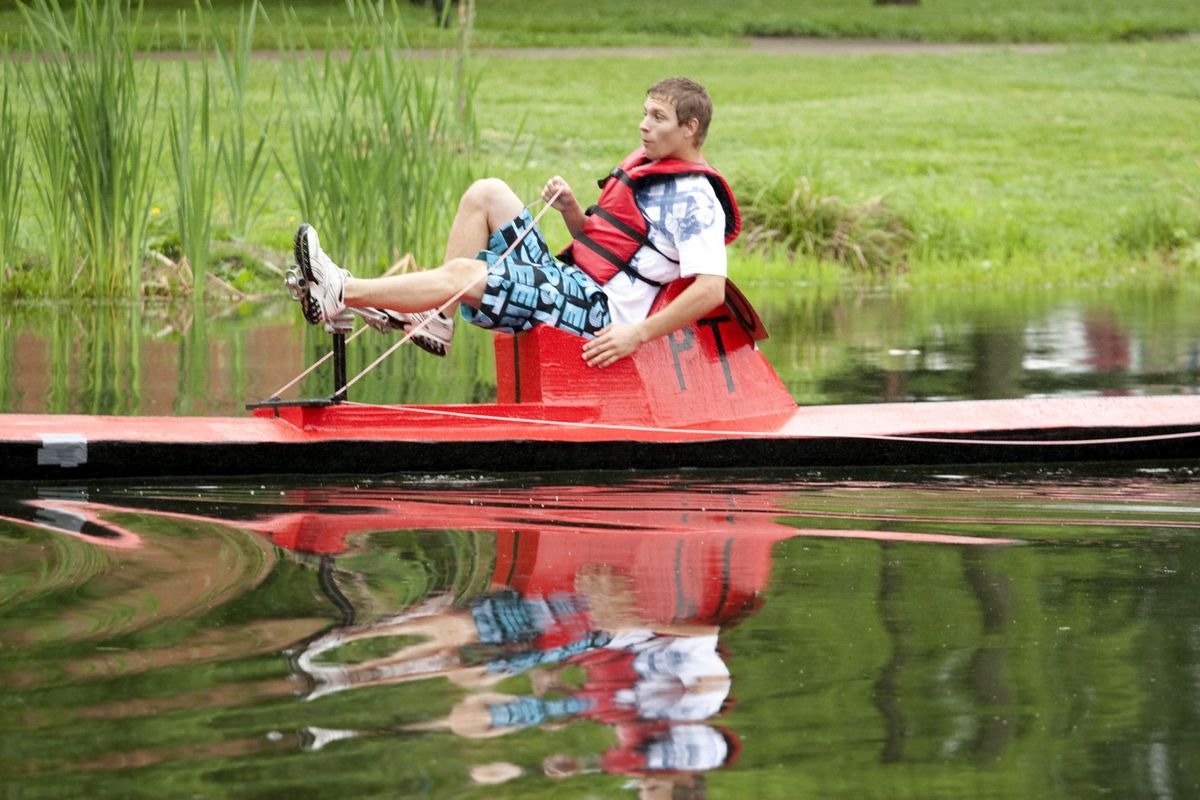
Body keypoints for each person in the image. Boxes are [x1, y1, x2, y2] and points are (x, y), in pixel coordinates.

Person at [287, 76, 740, 367]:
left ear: (690, 128)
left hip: (602, 312)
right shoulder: (649, 166)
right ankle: (438, 319)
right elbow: (607, 248)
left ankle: (341, 291)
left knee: (468, 275)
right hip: (575, 282)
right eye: (644, 113)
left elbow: (709, 288)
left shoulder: (696, 199)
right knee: (487, 193)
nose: (643, 126)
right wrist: (571, 212)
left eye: (657, 118)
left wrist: (636, 335)